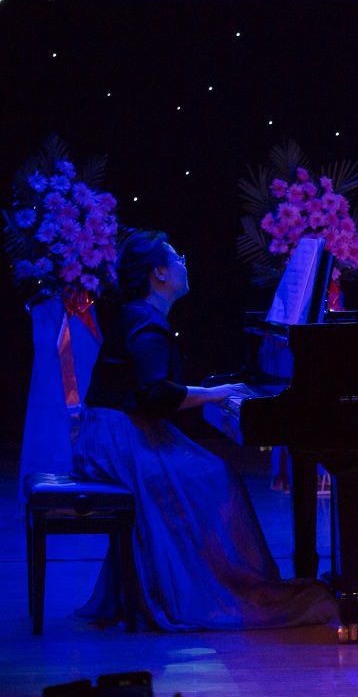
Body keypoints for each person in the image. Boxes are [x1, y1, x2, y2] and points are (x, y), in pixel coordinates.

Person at [72, 229, 335, 631]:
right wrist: (215, 393)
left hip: (115, 431)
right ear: (159, 273)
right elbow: (156, 394)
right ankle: (217, 584)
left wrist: (213, 393)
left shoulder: (141, 315)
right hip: (117, 439)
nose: (184, 263)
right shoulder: (147, 323)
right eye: (177, 258)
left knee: (210, 474)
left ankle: (207, 575)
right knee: (213, 477)